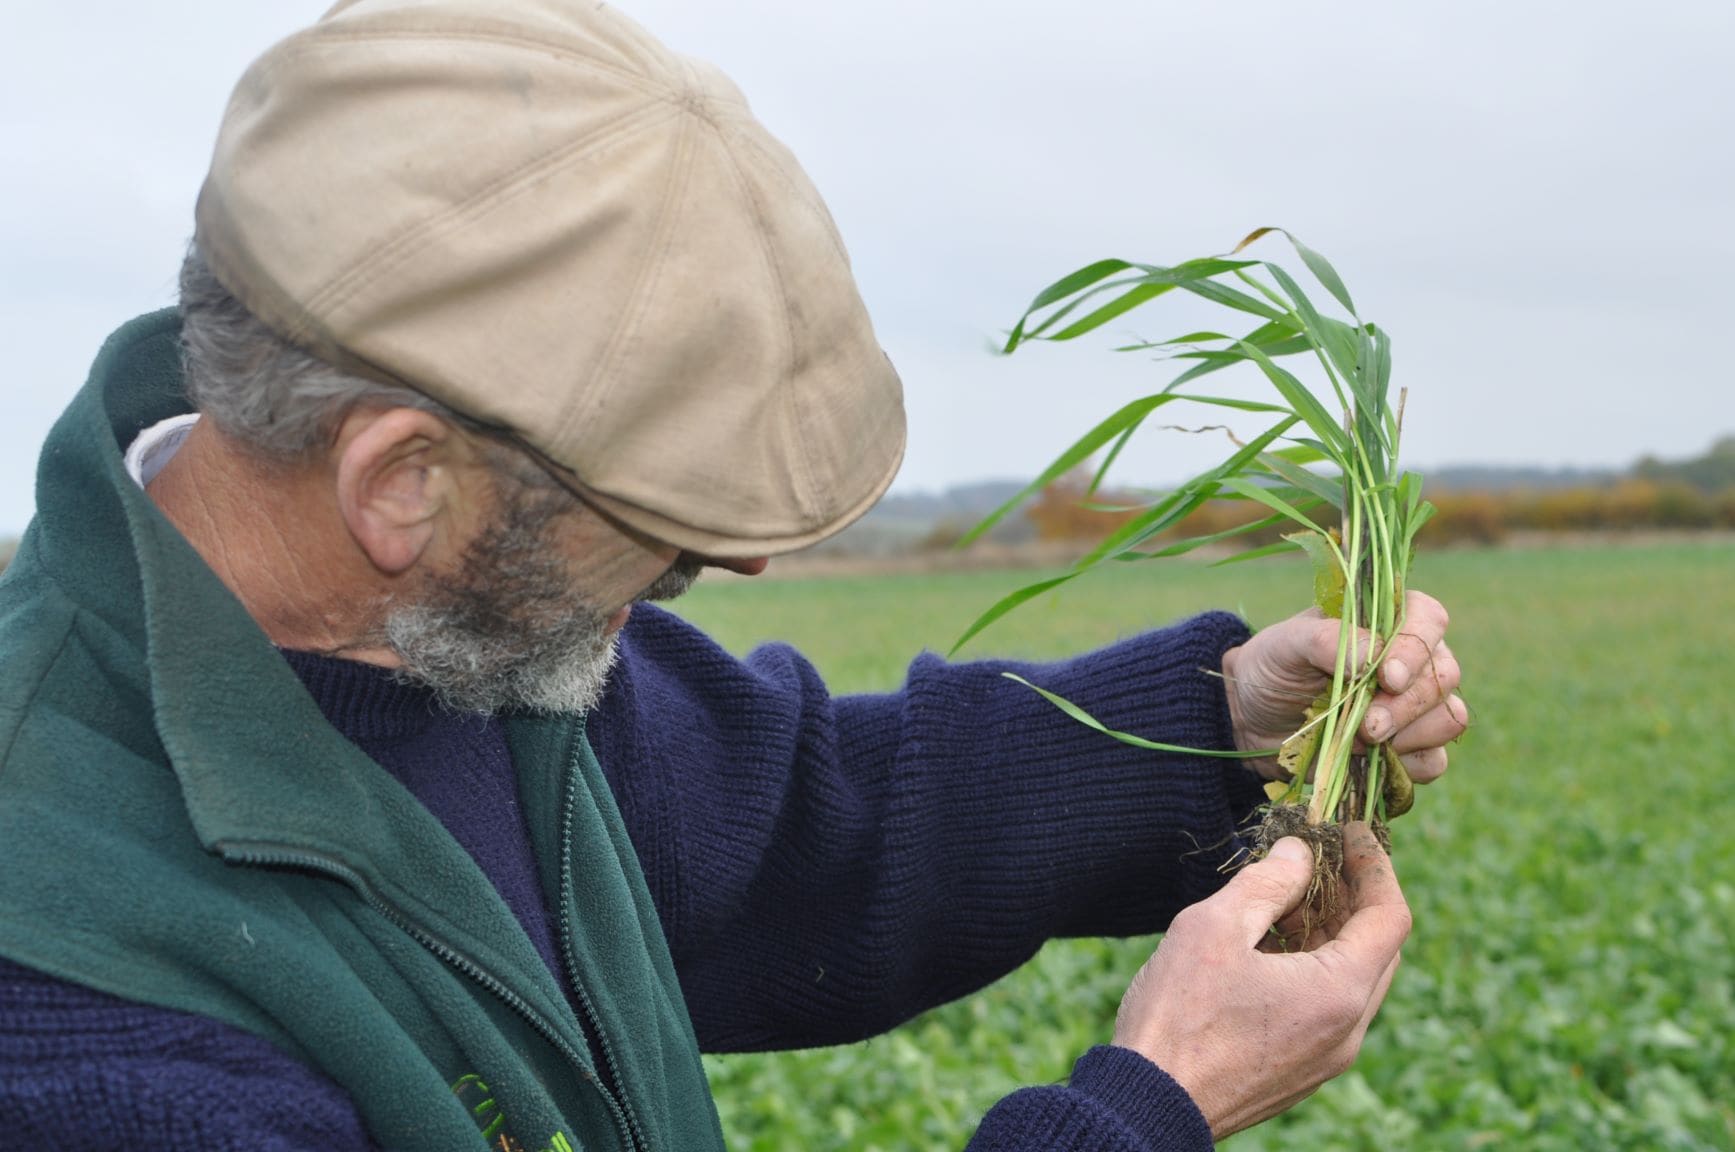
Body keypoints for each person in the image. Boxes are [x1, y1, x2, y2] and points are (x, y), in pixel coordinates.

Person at [0, 2, 1466, 1149]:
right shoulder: (86, 1022)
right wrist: (1144, 1109)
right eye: (669, 522)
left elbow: (811, 821)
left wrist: (1209, 723)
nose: (741, 557)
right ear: (401, 482)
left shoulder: (439, 645)